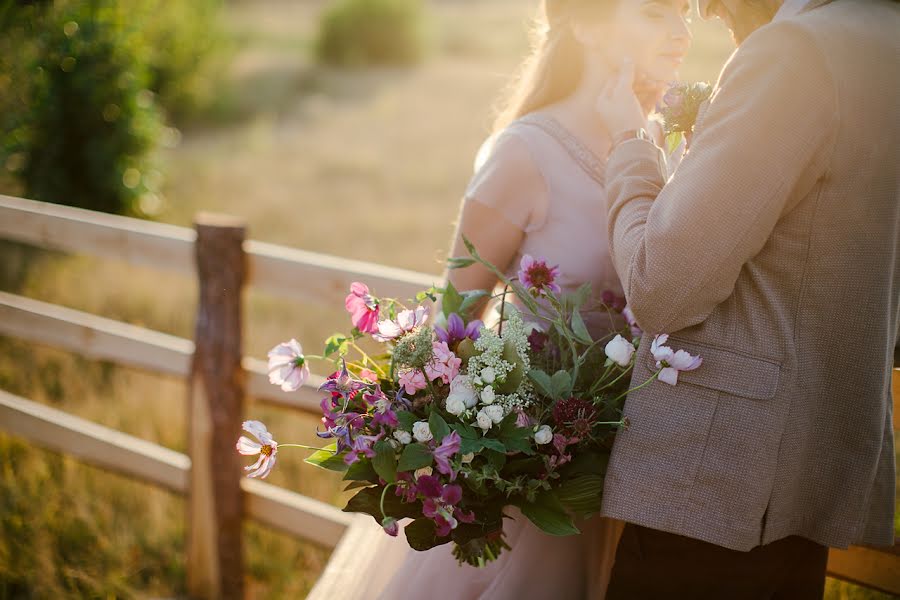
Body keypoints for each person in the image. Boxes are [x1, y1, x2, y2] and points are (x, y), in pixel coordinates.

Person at [305, 0, 690, 598]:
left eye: (686, 11)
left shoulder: (656, 146)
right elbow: (450, 330)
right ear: (585, 24)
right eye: (655, 12)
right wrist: (480, 451)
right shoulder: (525, 152)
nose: (681, 31)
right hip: (530, 476)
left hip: (630, 468)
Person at [593, 0, 899, 597]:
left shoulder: (798, 52)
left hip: (716, 485)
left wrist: (632, 152)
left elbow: (663, 286)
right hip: (811, 473)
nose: (707, 11)